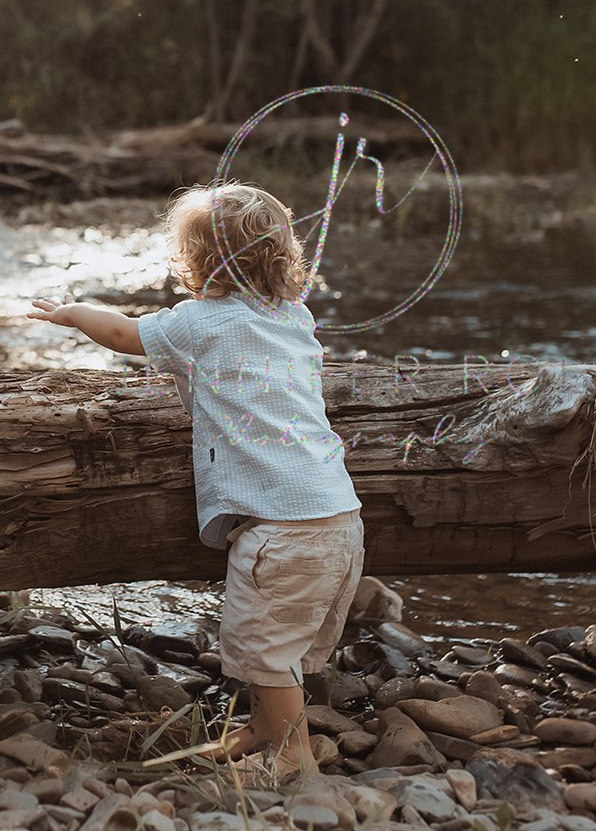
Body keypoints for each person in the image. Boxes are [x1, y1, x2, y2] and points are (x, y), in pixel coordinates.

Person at [27, 181, 364, 778]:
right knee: (281, 645)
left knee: (266, 652)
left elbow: (124, 336)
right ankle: (265, 727)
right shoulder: (294, 316)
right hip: (339, 518)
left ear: (198, 264)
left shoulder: (200, 323)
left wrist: (71, 312)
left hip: (282, 531)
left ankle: (292, 757)